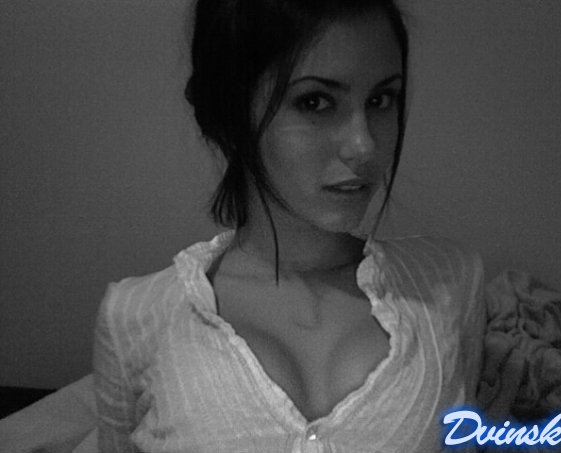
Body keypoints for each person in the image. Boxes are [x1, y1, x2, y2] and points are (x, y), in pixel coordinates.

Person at [93, 0, 486, 451]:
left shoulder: (450, 283)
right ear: (230, 110)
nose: (364, 145)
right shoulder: (135, 318)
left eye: (380, 100)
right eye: (314, 102)